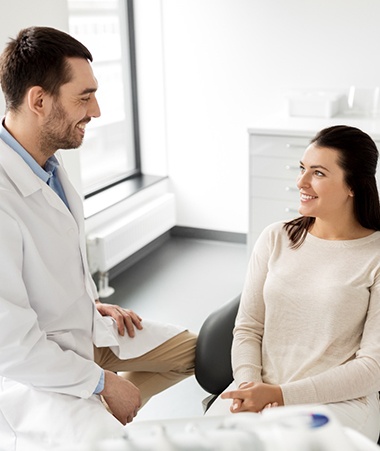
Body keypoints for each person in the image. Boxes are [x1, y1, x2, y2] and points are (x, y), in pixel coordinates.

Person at [0, 26, 196, 450]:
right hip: (36, 375)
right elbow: (10, 345)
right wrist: (102, 383)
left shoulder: (45, 164)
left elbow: (49, 262)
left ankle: (108, 405)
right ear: (39, 100)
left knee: (194, 353)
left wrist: (86, 302)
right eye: (84, 97)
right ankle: (101, 412)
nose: (98, 110)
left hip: (83, 330)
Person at [207, 125, 380, 442]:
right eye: (303, 169)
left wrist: (280, 396)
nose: (300, 182)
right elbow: (248, 328)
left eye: (318, 173)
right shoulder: (276, 237)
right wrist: (249, 388)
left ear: (353, 185)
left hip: (339, 403)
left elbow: (372, 368)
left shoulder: (375, 256)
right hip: (259, 389)